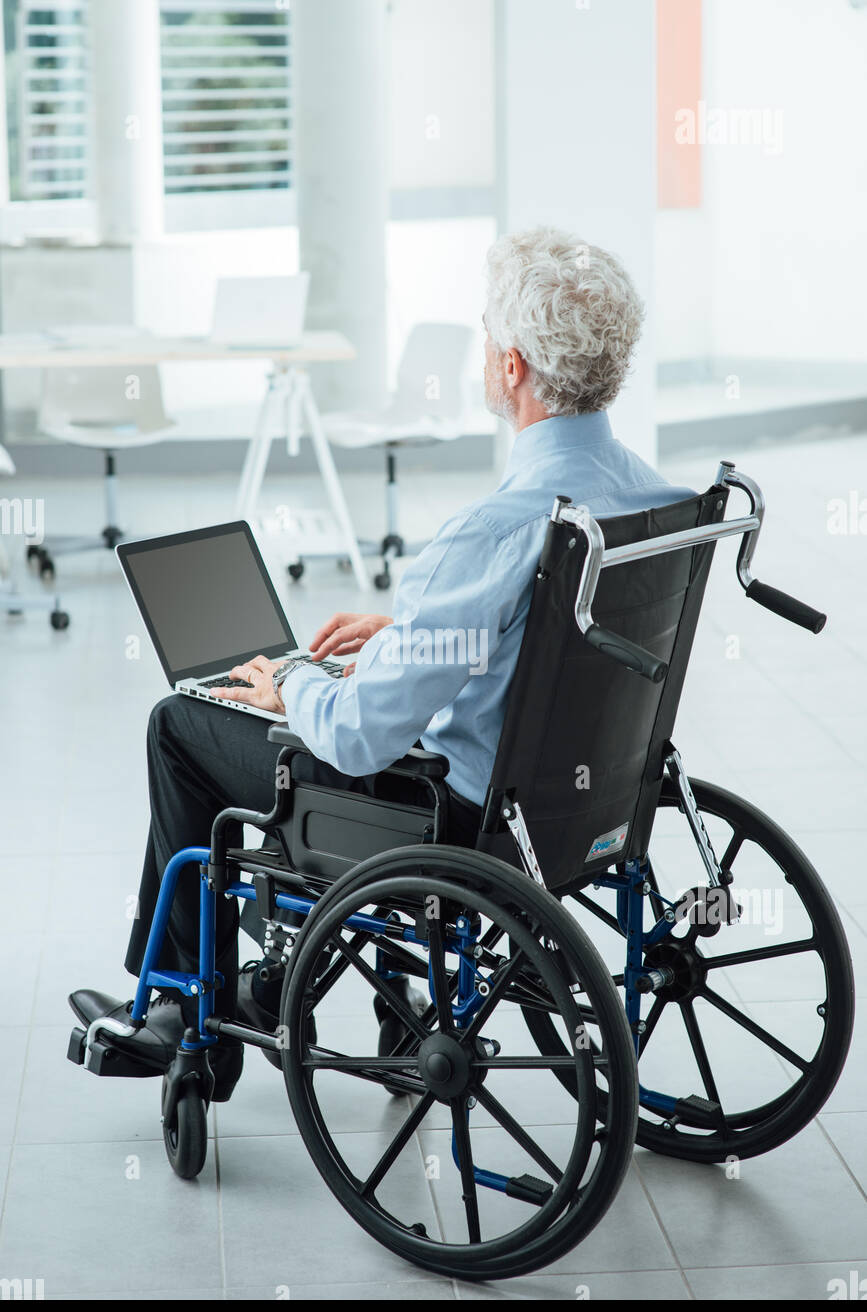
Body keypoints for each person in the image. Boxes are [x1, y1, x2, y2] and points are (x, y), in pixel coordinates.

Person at [69, 226, 694, 1099]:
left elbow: (358, 740)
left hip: (454, 823)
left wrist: (292, 679)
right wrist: (409, 637)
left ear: (511, 366)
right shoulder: (657, 502)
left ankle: (179, 1005)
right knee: (332, 713)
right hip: (586, 803)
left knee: (181, 725)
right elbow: (546, 646)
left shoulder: (496, 530)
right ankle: (275, 983)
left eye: (488, 335)